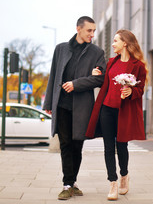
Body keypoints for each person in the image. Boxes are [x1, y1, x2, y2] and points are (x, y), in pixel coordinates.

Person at [42, 16, 106, 200]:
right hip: (61, 105)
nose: (92, 34)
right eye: (89, 30)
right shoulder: (61, 49)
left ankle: (72, 181)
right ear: (78, 29)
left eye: (94, 31)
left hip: (82, 108)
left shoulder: (97, 53)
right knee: (65, 145)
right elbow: (53, 76)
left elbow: (100, 79)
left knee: (77, 145)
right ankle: (68, 183)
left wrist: (76, 84)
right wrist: (48, 103)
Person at [86, 29, 148, 201]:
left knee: (121, 146)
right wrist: (96, 73)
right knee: (107, 147)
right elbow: (103, 78)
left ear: (125, 43)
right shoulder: (112, 62)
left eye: (115, 41)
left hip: (123, 111)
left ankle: (124, 176)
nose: (113, 44)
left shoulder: (138, 66)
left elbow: (140, 89)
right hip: (107, 108)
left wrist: (131, 91)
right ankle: (112, 182)